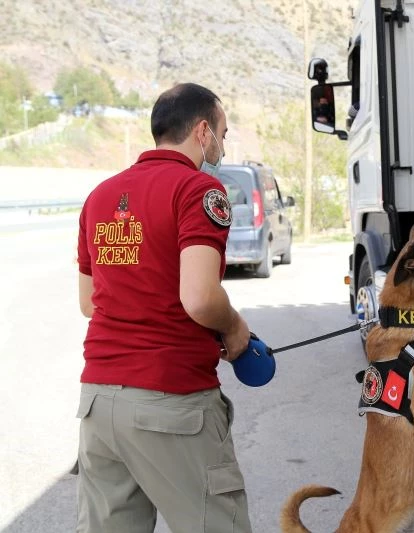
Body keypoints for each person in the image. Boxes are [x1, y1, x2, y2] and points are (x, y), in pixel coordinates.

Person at [74, 82, 253, 533]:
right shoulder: (198, 190)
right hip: (171, 401)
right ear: (202, 132)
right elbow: (200, 297)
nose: (221, 147)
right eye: (222, 135)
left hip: (98, 403)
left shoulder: (100, 196)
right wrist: (234, 328)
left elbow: (89, 303)